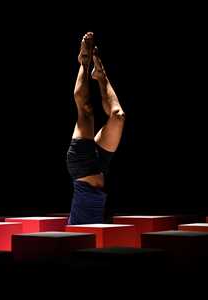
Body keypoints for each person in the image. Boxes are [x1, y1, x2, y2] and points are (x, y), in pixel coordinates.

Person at [67, 32, 125, 225]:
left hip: (82, 167)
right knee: (118, 117)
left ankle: (83, 61)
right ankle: (101, 76)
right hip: (101, 167)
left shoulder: (74, 234)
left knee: (86, 111)